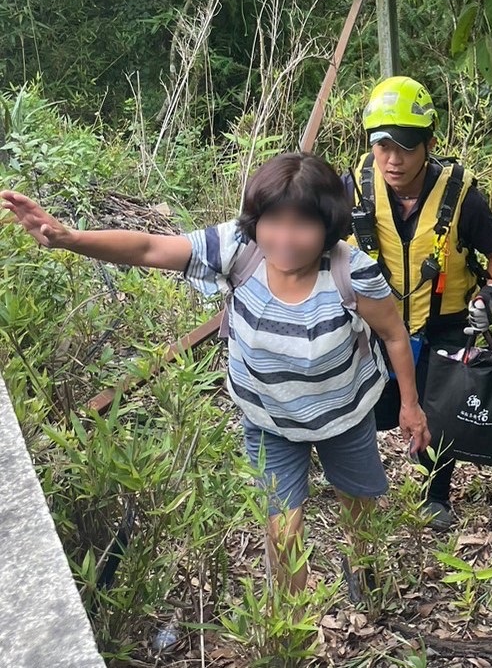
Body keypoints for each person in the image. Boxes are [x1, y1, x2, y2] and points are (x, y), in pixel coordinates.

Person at [1, 152, 431, 593]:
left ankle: (365, 580)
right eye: (272, 220)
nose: (284, 238)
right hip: (269, 420)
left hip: (343, 411)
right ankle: (293, 627)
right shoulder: (238, 249)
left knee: (357, 508)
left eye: (302, 223)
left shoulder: (352, 272)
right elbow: (150, 247)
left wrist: (411, 406)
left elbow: (395, 335)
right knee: (283, 534)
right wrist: (70, 238)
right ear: (255, 220)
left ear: (328, 225)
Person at [347, 76, 492, 531]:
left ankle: (435, 494)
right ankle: (353, 481)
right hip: (375, 323)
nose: (393, 159)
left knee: (438, 410)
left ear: (429, 143)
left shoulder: (461, 197)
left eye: (405, 146)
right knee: (369, 407)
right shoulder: (356, 189)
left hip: (442, 321)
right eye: (382, 146)